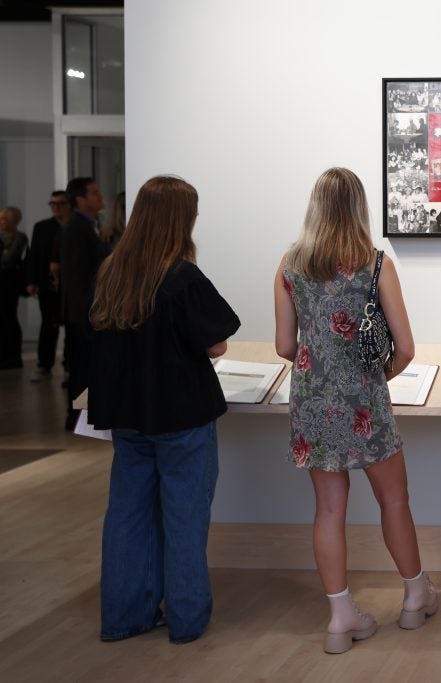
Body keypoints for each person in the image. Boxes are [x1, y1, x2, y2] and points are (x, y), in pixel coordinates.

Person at [274, 167, 437, 655]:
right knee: (393, 500)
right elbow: (405, 348)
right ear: (359, 207)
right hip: (364, 401)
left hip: (311, 402)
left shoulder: (289, 265)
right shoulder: (375, 263)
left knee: (328, 509)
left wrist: (320, 363)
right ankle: (414, 596)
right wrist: (373, 378)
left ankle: (341, 614)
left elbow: (285, 344)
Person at [87, 175, 240, 644]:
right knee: (185, 518)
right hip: (180, 416)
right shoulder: (181, 276)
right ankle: (186, 619)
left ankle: (124, 616)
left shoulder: (113, 269)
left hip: (128, 416)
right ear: (181, 220)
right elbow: (216, 343)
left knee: (127, 517)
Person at [60, 176, 111, 430]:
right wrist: (87, 313)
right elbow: (78, 276)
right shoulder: (77, 229)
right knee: (81, 366)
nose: (100, 197)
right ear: (80, 199)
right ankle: (77, 418)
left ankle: (82, 417)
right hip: (83, 312)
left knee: (85, 364)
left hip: (86, 310)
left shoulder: (88, 226)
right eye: (94, 193)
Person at [26, 191, 72, 380]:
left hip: (71, 286)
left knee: (72, 326)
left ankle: (70, 365)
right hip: (48, 285)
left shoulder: (74, 226)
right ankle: (44, 364)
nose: (56, 207)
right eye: (53, 203)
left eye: (60, 203)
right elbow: (34, 255)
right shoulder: (42, 227)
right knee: (48, 324)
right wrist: (31, 281)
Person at [0, 207, 29, 369]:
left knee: (8, 318)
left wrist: (4, 254)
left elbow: (9, 259)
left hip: (9, 284)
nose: (1, 222)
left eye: (4, 219)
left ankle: (13, 356)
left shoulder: (19, 237)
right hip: (3, 281)